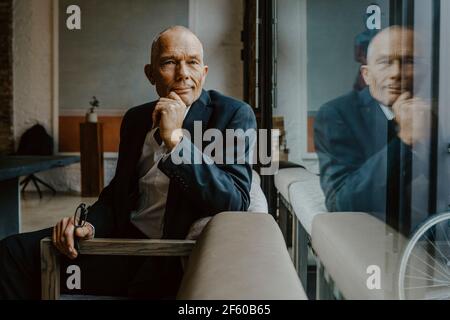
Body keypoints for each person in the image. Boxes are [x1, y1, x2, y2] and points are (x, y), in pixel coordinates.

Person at [0, 26, 257, 299]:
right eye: (169, 62)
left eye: (192, 62)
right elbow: (115, 196)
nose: (183, 73)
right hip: (120, 246)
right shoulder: (136, 119)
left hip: (171, 260)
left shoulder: (232, 115)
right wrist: (88, 226)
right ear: (150, 74)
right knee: (11, 254)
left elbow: (235, 200)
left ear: (203, 73)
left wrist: (176, 141)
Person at [314, 26, 431, 229]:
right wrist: (404, 142)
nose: (396, 73)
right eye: (385, 63)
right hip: (375, 243)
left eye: (409, 62)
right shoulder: (337, 114)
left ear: (426, 71)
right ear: (366, 74)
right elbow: (342, 203)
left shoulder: (439, 115)